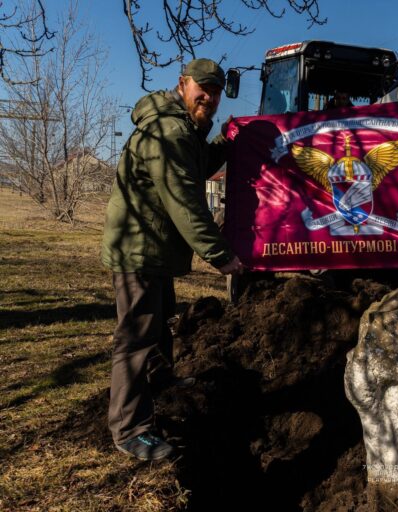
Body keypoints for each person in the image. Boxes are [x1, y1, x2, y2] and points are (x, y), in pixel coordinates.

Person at [101, 58, 244, 461]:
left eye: (215, 92)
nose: (209, 98)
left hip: (154, 247)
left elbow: (197, 166)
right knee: (136, 337)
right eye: (203, 89)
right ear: (183, 84)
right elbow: (185, 203)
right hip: (138, 249)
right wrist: (221, 255)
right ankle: (130, 429)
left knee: (159, 320)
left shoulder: (184, 130)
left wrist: (227, 141)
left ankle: (161, 383)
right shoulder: (170, 132)